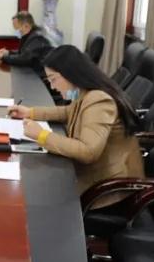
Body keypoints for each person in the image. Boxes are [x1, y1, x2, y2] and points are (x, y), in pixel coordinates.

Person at [8, 45, 143, 207]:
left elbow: (88, 151)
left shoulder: (99, 100)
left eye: (53, 79)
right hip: (94, 177)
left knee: (36, 196)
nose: (52, 87)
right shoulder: (85, 93)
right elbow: (67, 112)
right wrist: (30, 112)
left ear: (70, 74)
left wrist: (42, 135)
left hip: (108, 191)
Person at [0, 11, 53, 76]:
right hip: (32, 73)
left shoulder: (38, 37)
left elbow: (24, 59)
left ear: (26, 26)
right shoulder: (28, 35)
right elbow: (23, 53)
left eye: (17, 28)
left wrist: (2, 57)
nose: (16, 31)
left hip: (40, 77)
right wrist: (8, 52)